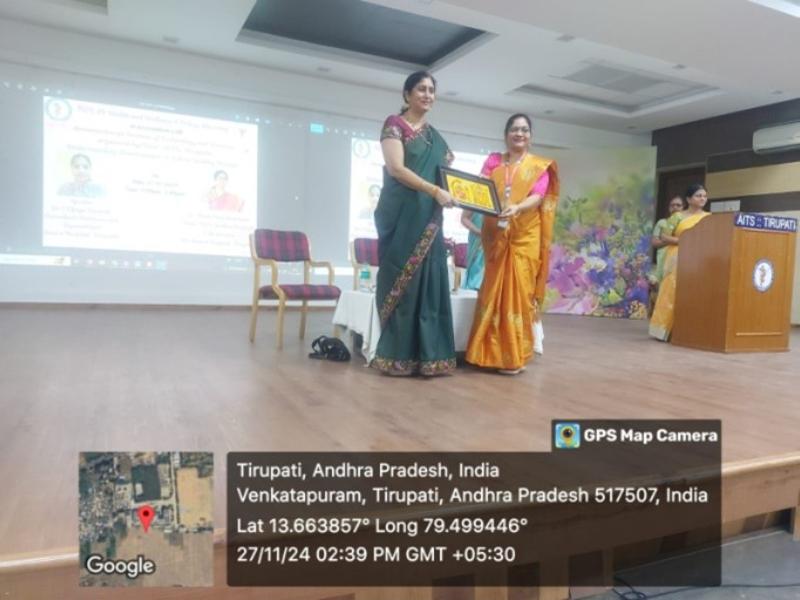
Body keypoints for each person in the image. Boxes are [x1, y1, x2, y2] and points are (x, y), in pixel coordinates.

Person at [371, 71, 457, 376]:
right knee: (402, 285)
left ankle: (430, 357)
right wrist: (435, 191)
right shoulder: (394, 126)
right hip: (401, 216)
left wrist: (456, 192)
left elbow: (448, 175)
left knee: (429, 285)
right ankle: (397, 356)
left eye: (432, 90)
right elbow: (396, 169)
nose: (427, 95)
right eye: (421, 89)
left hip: (429, 220)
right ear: (407, 94)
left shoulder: (437, 139)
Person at [465, 114, 559, 375]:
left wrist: (517, 207)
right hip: (496, 233)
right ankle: (485, 353)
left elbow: (538, 197)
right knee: (492, 290)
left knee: (519, 292)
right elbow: (481, 189)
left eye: (525, 130)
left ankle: (513, 357)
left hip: (524, 236)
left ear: (530, 136)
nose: (520, 134)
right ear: (506, 134)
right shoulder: (494, 161)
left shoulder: (538, 166)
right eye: (515, 129)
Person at [648, 184, 709, 341]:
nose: (702, 199)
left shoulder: (709, 218)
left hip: (699, 258)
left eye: (704, 196)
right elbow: (664, 237)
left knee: (694, 291)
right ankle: (664, 331)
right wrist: (685, 240)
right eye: (698, 196)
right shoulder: (678, 217)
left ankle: (688, 330)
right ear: (688, 199)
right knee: (672, 290)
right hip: (677, 256)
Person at [648, 195, 685, 313]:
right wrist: (673, 241)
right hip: (663, 259)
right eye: (672, 205)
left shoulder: (686, 223)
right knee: (663, 288)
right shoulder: (662, 222)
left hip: (681, 259)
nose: (675, 208)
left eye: (678, 205)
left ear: (683, 207)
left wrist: (668, 239)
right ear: (669, 208)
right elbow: (654, 242)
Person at [460, 210, 484, 289]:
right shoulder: (476, 201)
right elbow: (464, 218)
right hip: (477, 240)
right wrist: (479, 232)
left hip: (497, 241)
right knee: (476, 268)